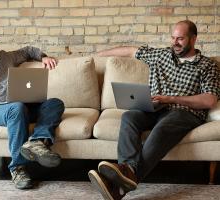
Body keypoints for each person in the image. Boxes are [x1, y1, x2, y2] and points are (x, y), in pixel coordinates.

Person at [88, 20, 220, 200]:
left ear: (194, 39)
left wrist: (172, 98)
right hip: (154, 107)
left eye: (180, 38)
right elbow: (129, 50)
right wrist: (96, 55)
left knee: (161, 129)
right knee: (129, 117)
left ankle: (120, 183)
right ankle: (126, 170)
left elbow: (210, 99)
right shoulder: (161, 55)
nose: (175, 42)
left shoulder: (207, 65)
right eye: (173, 38)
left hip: (184, 112)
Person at [0, 23, 65, 189]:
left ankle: (36, 142)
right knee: (17, 108)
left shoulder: (6, 57)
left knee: (55, 103)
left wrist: (43, 57)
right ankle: (17, 168)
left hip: (17, 105)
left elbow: (28, 50)